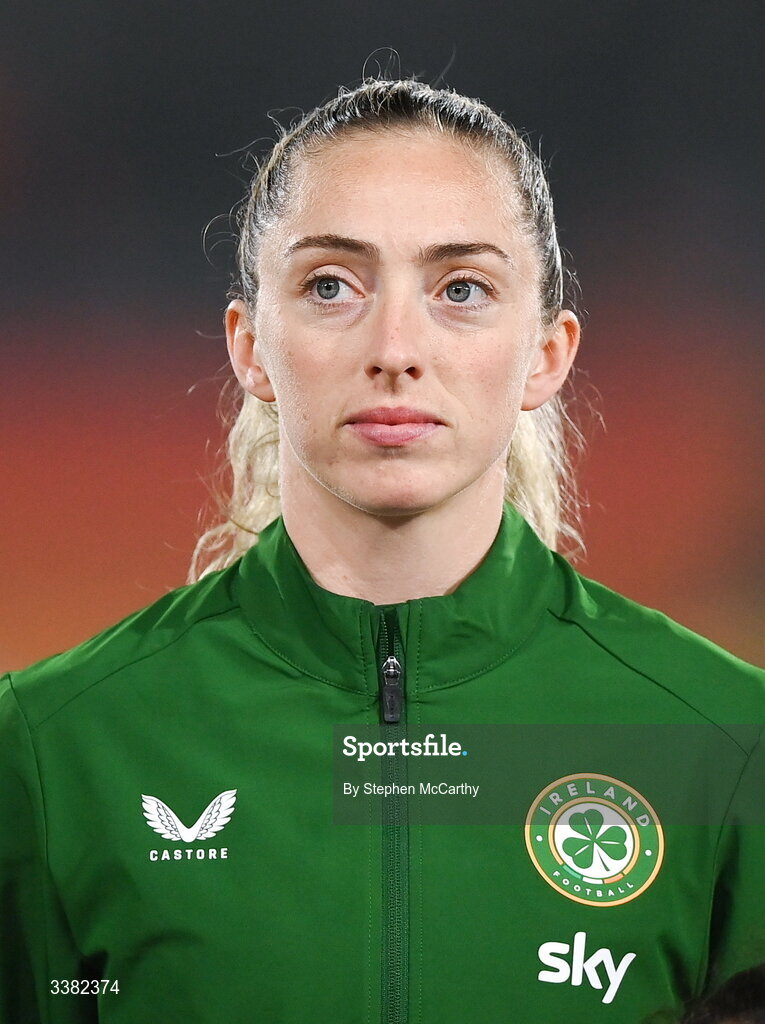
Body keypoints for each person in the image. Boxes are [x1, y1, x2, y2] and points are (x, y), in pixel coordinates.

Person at [1, 75, 763, 1024]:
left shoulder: (728, 744)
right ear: (248, 345)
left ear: (546, 354)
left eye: (461, 289)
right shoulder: (54, 748)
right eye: (331, 285)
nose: (395, 346)